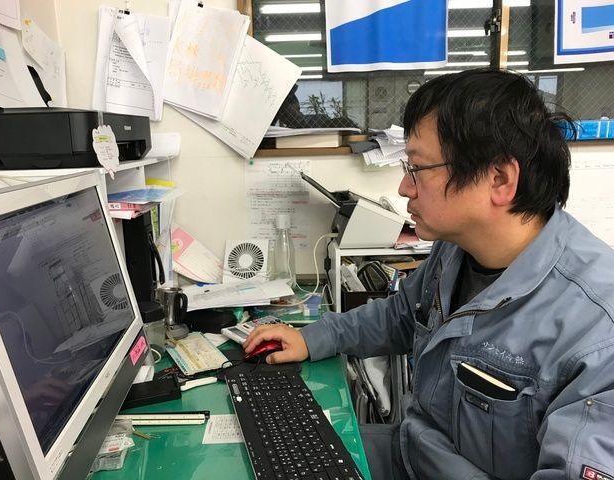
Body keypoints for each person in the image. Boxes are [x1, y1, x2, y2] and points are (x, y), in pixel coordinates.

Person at [244, 68, 614, 480]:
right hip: (410, 454)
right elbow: (402, 314)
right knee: (266, 452)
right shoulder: (456, 249)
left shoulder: (597, 331)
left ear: (499, 179)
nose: (404, 187)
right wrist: (313, 337)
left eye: (417, 168)